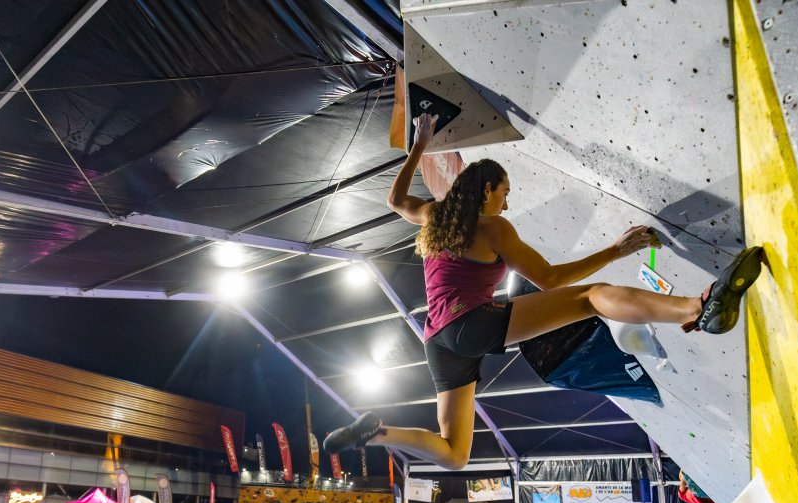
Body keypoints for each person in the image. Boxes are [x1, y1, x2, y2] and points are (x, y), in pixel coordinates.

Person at [324, 112, 764, 470]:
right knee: (589, 295)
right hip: (467, 324)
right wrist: (615, 249)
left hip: (437, 341)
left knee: (455, 454)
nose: (508, 203)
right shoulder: (493, 227)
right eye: (505, 193)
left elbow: (396, 200)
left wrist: (419, 144)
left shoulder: (435, 218)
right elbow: (552, 280)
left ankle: (379, 433)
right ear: (487, 191)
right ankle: (695, 307)